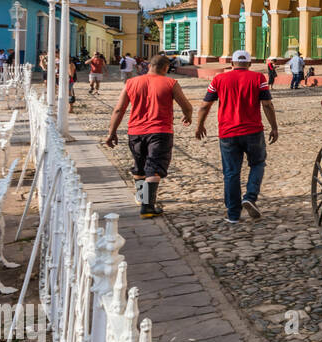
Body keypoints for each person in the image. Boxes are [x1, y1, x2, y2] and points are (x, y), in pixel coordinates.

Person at [195, 49, 279, 225]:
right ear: (249, 64)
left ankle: (233, 214)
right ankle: (250, 197)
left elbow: (204, 105)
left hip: (227, 133)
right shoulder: (258, 79)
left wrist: (200, 125)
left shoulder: (219, 79)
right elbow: (267, 104)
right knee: (257, 164)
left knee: (231, 172)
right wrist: (274, 127)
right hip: (253, 131)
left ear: (232, 64)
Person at [105, 54, 193, 218]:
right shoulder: (170, 83)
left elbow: (119, 109)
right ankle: (147, 207)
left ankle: (141, 198)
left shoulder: (131, 83)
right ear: (166, 68)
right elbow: (186, 106)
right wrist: (188, 115)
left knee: (139, 166)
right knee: (154, 168)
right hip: (160, 132)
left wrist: (112, 132)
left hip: (135, 132)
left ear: (149, 66)